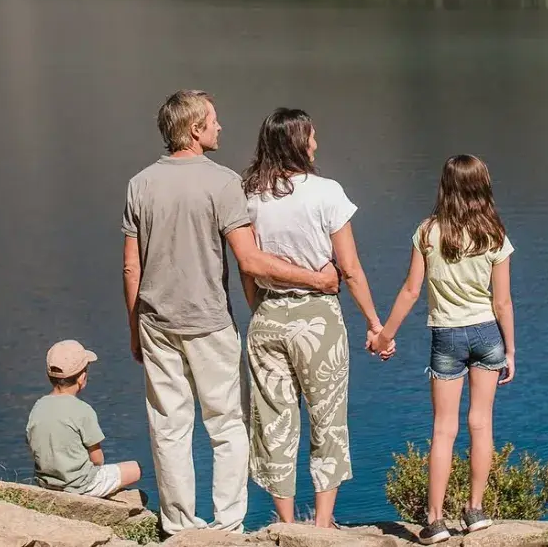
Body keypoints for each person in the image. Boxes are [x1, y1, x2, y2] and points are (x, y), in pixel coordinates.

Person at [121, 90, 339, 536]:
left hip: (155, 323)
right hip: (209, 323)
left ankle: (179, 525)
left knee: (169, 428)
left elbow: (131, 266)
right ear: (196, 130)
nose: (221, 127)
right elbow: (251, 262)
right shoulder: (222, 183)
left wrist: (133, 328)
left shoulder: (139, 184)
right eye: (214, 121)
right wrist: (318, 280)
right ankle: (227, 525)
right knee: (226, 425)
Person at [242, 107, 387, 529]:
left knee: (272, 422)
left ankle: (285, 524)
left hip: (267, 316)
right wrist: (374, 323)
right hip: (318, 319)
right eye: (311, 137)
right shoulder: (327, 192)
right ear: (297, 143)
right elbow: (351, 268)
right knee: (328, 419)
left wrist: (261, 311)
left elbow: (249, 269)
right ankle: (323, 526)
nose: (316, 144)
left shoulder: (250, 196)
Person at [370, 154, 515, 543]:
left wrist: (384, 335)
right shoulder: (494, 233)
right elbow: (502, 302)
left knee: (443, 429)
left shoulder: (427, 232)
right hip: (487, 334)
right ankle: (476, 511)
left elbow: (412, 291)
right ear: (482, 186)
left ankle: (435, 522)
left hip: (447, 336)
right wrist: (510, 350)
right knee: (480, 423)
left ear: (445, 186)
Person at [26, 339, 142, 498]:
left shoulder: (37, 407)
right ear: (82, 378)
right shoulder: (83, 410)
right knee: (136, 469)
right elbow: (97, 459)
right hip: (81, 485)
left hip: (45, 482)